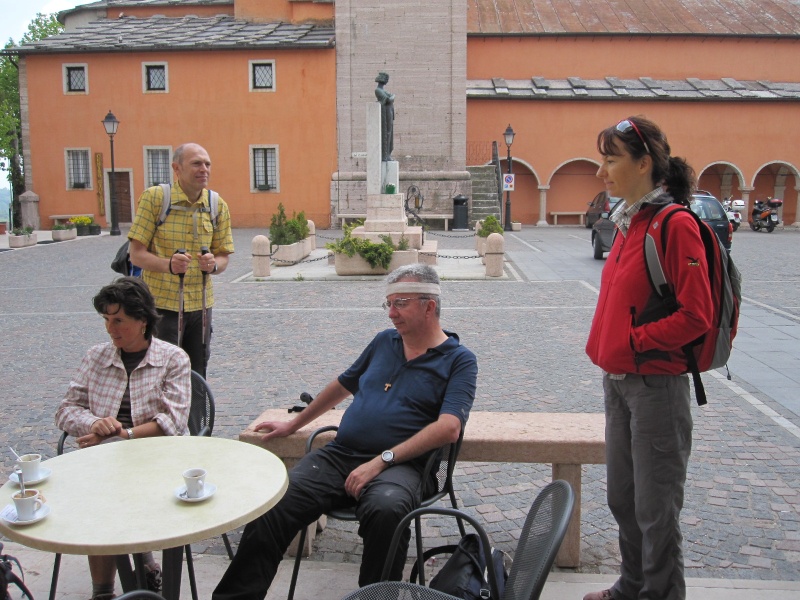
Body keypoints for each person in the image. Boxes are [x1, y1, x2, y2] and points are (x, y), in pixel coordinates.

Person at [212, 264, 478, 600]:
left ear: (429, 305)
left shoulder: (459, 360)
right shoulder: (384, 341)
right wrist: (294, 424)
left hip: (403, 467)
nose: (391, 313)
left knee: (387, 511)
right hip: (340, 455)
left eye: (401, 303)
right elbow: (343, 384)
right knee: (275, 504)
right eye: (389, 304)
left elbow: (449, 427)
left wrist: (383, 460)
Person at [584, 116, 713, 600]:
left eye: (611, 158)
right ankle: (631, 586)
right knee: (623, 497)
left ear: (644, 163)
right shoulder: (628, 221)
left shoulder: (673, 224)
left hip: (656, 386)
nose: (602, 171)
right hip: (618, 382)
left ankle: (660, 593)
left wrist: (637, 341)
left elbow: (696, 314)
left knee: (656, 509)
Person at [55, 277, 191, 600]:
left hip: (158, 458)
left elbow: (173, 421)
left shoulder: (173, 359)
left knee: (111, 495)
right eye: (106, 320)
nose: (110, 329)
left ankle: (138, 573)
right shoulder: (97, 357)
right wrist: (95, 423)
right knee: (99, 493)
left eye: (118, 320)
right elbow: (65, 410)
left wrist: (123, 434)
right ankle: (108, 588)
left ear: (142, 320)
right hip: (104, 457)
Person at [128, 143, 235, 377]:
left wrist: (213, 264)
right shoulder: (156, 199)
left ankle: (195, 415)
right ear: (177, 168)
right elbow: (136, 254)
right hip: (161, 305)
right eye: (196, 163)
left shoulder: (217, 205)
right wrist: (168, 265)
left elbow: (224, 256)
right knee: (160, 372)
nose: (203, 169)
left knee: (197, 373)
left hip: (201, 305)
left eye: (207, 164)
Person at [374, 72, 395, 161]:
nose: (386, 81)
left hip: (389, 111)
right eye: (386, 79)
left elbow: (391, 97)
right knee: (386, 133)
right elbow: (389, 99)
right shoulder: (378, 90)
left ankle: (388, 154)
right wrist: (393, 96)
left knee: (389, 132)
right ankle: (385, 155)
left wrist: (392, 97)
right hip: (385, 113)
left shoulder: (383, 90)